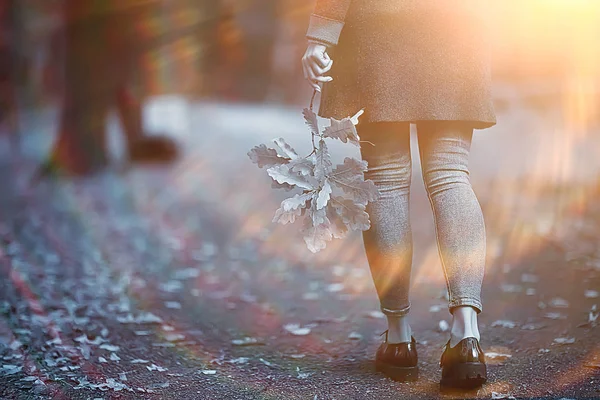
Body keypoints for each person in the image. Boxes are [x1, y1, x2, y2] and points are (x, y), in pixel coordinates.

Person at [302, 1, 495, 388]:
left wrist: (320, 34)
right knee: (452, 175)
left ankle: (399, 338)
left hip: (379, 28)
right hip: (455, 24)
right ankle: (466, 336)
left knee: (385, 179)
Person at [38, 0, 178, 178]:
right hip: (99, 55)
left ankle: (122, 151)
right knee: (105, 104)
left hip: (108, 53)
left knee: (121, 102)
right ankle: (94, 155)